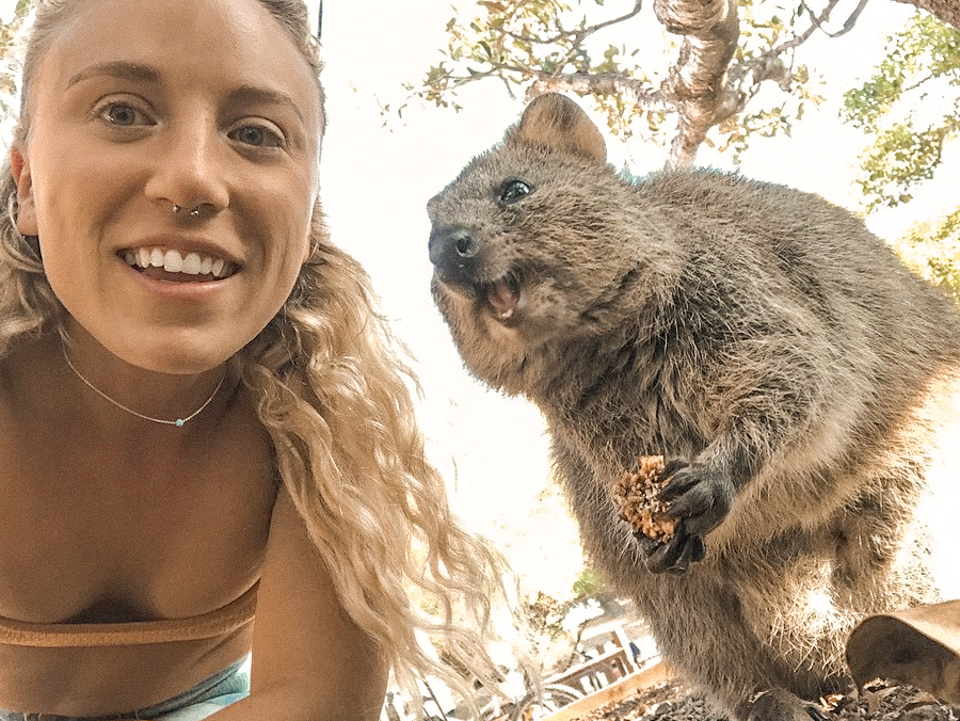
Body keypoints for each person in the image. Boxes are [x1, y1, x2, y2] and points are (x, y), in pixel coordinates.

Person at [0, 0, 506, 718]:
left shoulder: (325, 417)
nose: (194, 179)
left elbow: (314, 700)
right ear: (25, 182)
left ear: (307, 223)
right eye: (122, 113)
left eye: (255, 133)